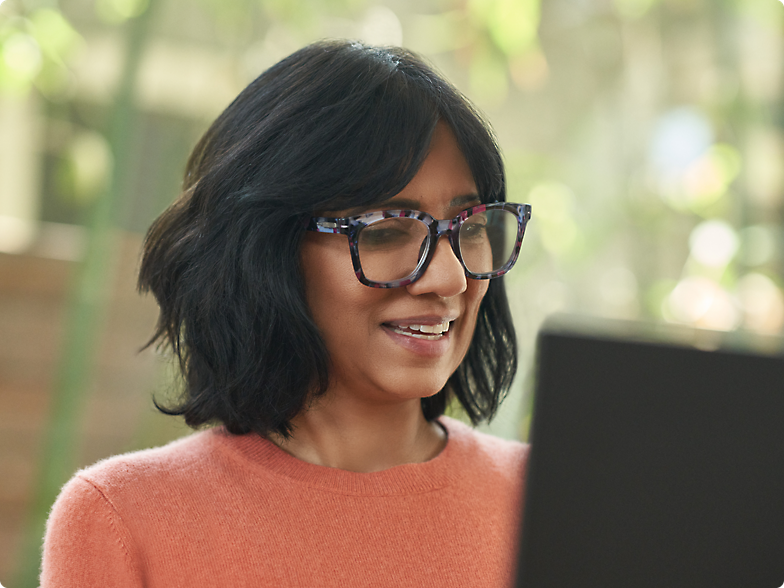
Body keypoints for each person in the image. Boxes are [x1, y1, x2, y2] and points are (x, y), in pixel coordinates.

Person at [40, 40, 533, 587]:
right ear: (265, 252)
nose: (450, 278)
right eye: (387, 230)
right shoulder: (121, 521)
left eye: (468, 227)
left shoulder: (556, 504)